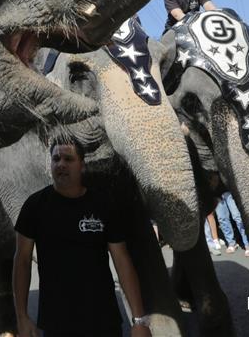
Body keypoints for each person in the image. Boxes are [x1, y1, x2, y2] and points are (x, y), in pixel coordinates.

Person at [13, 138, 150, 337]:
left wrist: (139, 321)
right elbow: (22, 261)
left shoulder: (103, 205)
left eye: (68, 159)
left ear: (82, 166)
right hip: (56, 324)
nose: (61, 164)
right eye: (56, 159)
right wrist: (22, 317)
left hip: (103, 321)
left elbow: (122, 261)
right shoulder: (34, 206)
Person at [214, 191, 249, 257]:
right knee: (222, 218)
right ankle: (231, 243)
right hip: (215, 192)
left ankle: (248, 244)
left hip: (228, 189)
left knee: (238, 217)